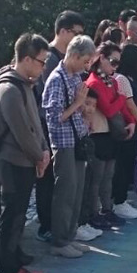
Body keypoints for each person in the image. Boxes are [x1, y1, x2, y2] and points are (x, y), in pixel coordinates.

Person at [0, 35, 53, 273]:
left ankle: (16, 266)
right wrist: (39, 156)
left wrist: (44, 151)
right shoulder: (8, 88)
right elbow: (19, 130)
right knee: (10, 218)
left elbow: (36, 124)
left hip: (27, 161)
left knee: (18, 218)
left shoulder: (26, 84)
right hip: (12, 162)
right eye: (41, 62)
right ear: (26, 58)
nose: (43, 67)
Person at [44, 35, 100, 254]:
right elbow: (54, 117)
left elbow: (76, 108)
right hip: (63, 141)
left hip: (78, 139)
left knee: (77, 190)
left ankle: (70, 234)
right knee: (65, 191)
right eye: (85, 61)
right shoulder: (56, 79)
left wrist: (84, 113)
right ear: (75, 56)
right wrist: (78, 103)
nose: (87, 66)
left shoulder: (75, 77)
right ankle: (59, 241)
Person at [34, 11, 85, 244]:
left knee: (70, 188)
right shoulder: (52, 63)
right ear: (63, 31)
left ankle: (64, 233)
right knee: (53, 185)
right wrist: (77, 104)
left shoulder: (70, 66)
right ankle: (51, 230)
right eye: (76, 33)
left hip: (69, 135)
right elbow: (52, 110)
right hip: (53, 134)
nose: (77, 38)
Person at [85, 42, 136, 229]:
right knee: (96, 178)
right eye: (113, 62)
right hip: (98, 134)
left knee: (109, 176)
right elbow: (108, 109)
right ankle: (94, 212)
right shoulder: (93, 82)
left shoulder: (112, 81)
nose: (115, 67)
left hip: (112, 134)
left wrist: (131, 121)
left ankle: (107, 209)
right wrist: (122, 96)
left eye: (118, 64)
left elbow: (120, 108)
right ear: (102, 58)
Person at [112, 43, 137, 218]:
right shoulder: (122, 78)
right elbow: (129, 102)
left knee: (128, 162)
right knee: (122, 165)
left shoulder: (131, 78)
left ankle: (122, 199)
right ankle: (118, 201)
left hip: (133, 124)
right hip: (127, 125)